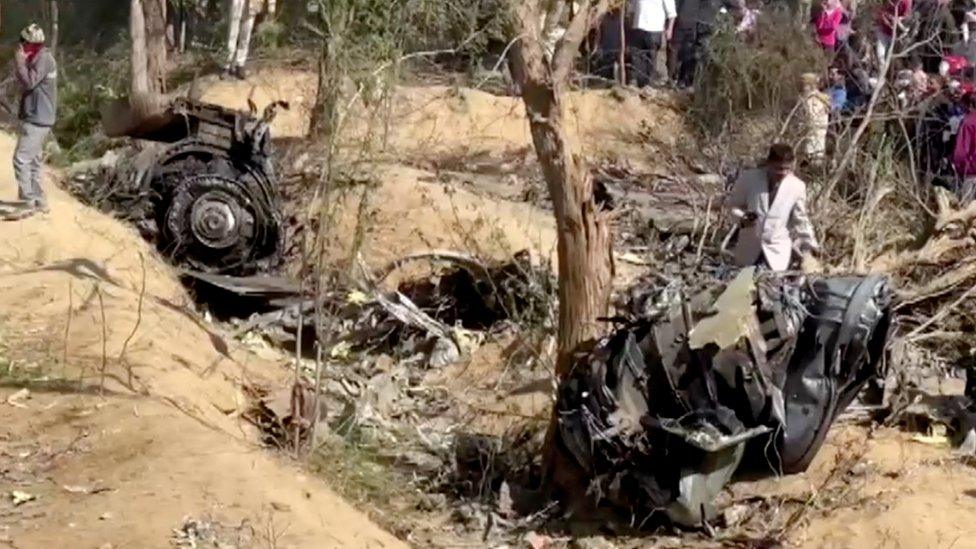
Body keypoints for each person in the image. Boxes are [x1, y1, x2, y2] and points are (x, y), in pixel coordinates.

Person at [727, 144, 820, 272]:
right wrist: (742, 219)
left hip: (776, 254)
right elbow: (732, 206)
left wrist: (810, 245)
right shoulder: (749, 178)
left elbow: (801, 219)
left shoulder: (797, 186)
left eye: (786, 169)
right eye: (778, 168)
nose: (782, 173)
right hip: (748, 251)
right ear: (768, 163)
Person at [13, 24, 57, 214]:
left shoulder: (43, 59)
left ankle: (27, 201)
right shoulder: (39, 57)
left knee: (21, 159)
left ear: (32, 43)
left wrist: (20, 63)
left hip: (38, 119)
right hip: (39, 117)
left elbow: (30, 82)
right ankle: (39, 200)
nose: (21, 46)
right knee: (34, 160)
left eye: (24, 42)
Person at [629, 0, 677, 87]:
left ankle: (648, 84)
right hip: (638, 28)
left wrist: (669, 29)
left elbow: (672, 13)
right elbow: (632, 9)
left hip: (654, 29)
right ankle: (636, 82)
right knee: (636, 56)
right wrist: (631, 25)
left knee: (650, 58)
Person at [225, 0, 276, 79]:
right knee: (232, 34)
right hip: (237, 2)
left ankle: (240, 64)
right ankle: (226, 65)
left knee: (245, 35)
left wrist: (271, 7)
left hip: (252, 4)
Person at [799, 73, 831, 161]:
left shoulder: (814, 100)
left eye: (803, 84)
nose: (800, 87)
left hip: (812, 137)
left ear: (809, 85)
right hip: (812, 137)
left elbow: (811, 119)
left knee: (811, 159)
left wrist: (801, 128)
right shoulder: (811, 98)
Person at [950, 92, 976, 201]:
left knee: (967, 212)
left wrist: (958, 167)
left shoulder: (968, 122)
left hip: (972, 173)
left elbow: (960, 153)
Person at [875, 0, 913, 64]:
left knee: (893, 59)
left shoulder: (906, 1)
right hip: (883, 30)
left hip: (897, 34)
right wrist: (884, 18)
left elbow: (907, 17)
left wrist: (898, 20)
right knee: (881, 58)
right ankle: (882, 67)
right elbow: (879, 9)